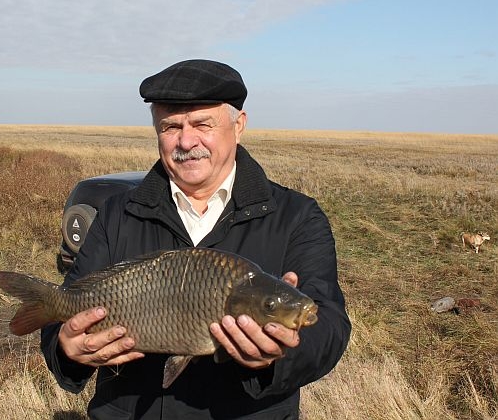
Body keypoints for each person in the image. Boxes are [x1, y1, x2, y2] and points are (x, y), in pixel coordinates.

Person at [41, 59, 351, 419]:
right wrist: (66, 349)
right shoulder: (116, 214)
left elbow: (329, 325)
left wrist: (278, 355)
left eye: (202, 124)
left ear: (239, 126)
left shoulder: (297, 216)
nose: (186, 141)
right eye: (170, 126)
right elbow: (68, 306)